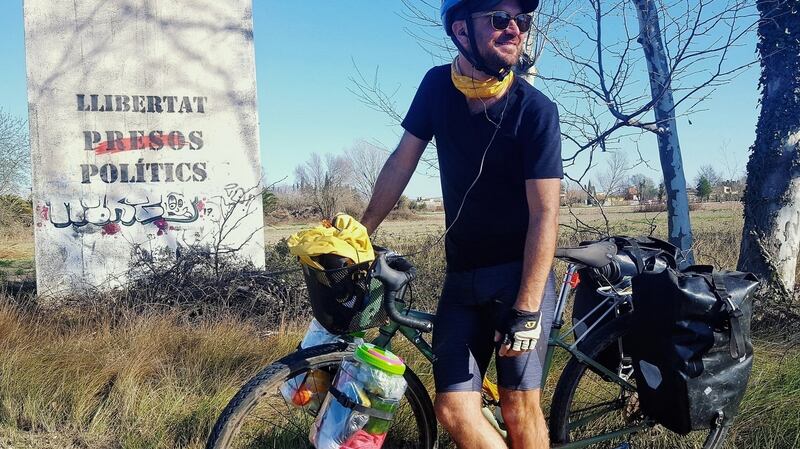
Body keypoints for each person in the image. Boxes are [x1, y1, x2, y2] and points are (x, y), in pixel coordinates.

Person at [360, 0, 562, 447]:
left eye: (522, 20)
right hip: (463, 277)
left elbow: (546, 212)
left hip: (519, 277)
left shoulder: (536, 111)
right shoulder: (436, 86)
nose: (515, 29)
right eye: (499, 19)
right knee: (452, 409)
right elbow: (401, 161)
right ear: (461, 30)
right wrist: (361, 232)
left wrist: (527, 310)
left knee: (517, 405)